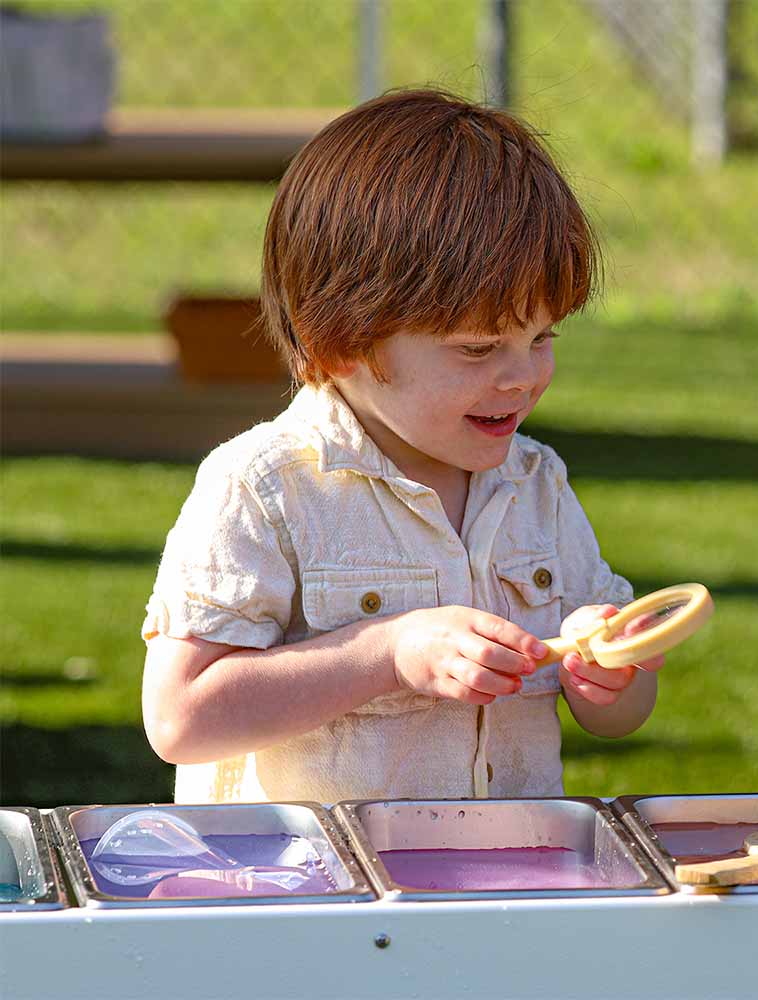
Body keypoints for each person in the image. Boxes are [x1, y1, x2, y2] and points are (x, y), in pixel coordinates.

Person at [141, 89, 662, 805]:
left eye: (542, 338)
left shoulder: (535, 482)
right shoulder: (265, 489)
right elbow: (182, 717)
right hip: (312, 899)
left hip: (494, 884)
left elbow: (619, 717)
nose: (524, 377)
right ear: (341, 343)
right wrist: (388, 655)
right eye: (478, 349)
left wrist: (608, 673)